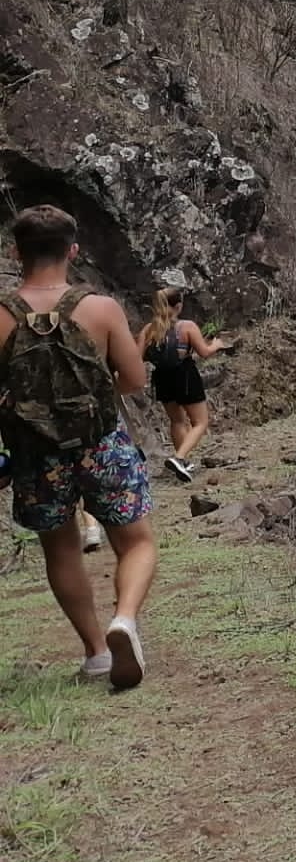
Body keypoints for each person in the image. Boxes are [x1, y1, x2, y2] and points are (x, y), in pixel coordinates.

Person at [0, 206, 155, 689]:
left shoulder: (0, 314)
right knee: (136, 542)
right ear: (72, 251)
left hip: (35, 455)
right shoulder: (101, 309)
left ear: (15, 252)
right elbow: (134, 380)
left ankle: (95, 654)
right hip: (101, 445)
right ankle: (123, 620)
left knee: (61, 550)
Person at [138, 286, 229, 483]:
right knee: (200, 422)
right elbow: (204, 352)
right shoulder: (187, 327)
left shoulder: (148, 330)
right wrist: (216, 345)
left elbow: (137, 357)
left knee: (177, 421)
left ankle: (183, 462)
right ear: (178, 306)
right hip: (185, 375)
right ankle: (179, 458)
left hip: (161, 377)